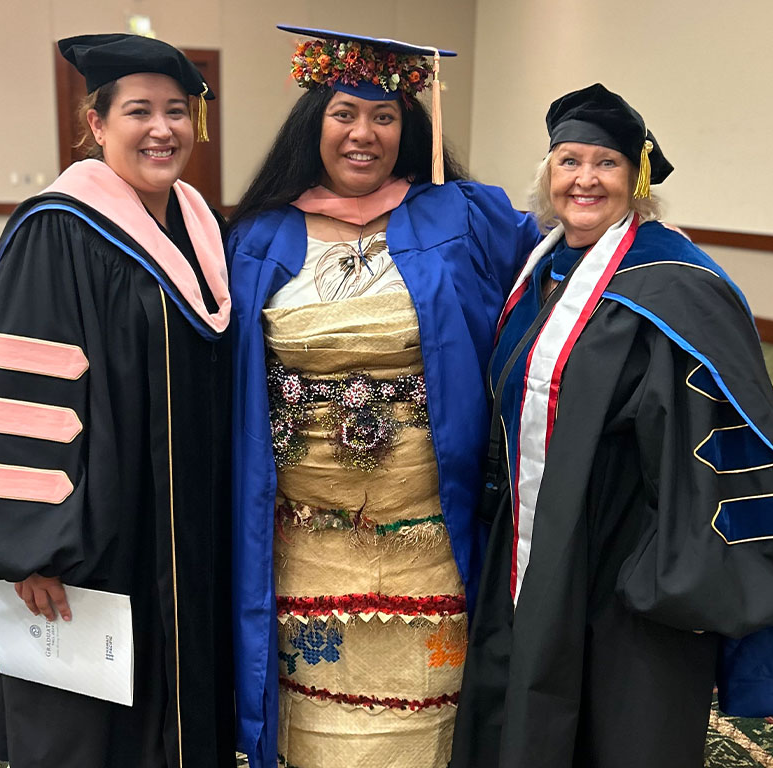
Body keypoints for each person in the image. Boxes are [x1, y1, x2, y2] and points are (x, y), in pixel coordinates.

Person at [450, 83, 773, 768]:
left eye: (605, 163)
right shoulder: (545, 267)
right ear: (548, 175)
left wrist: (680, 569)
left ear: (635, 178)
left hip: (627, 544)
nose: (584, 178)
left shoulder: (673, 282)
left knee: (624, 715)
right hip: (543, 526)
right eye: (568, 160)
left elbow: (716, 436)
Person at [227, 26, 540, 768]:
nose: (363, 133)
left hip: (429, 534)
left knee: (428, 706)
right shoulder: (260, 233)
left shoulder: (463, 216)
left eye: (385, 116)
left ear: (410, 128)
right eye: (344, 114)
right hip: (304, 541)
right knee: (312, 712)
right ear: (315, 124)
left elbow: (556, 280)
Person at [0, 33, 234, 768]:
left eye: (178, 111)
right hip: (97, 530)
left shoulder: (199, 222)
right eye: (138, 110)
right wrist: (31, 548)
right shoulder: (57, 230)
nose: (163, 128)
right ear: (97, 123)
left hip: (183, 521)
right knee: (90, 719)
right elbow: (22, 392)